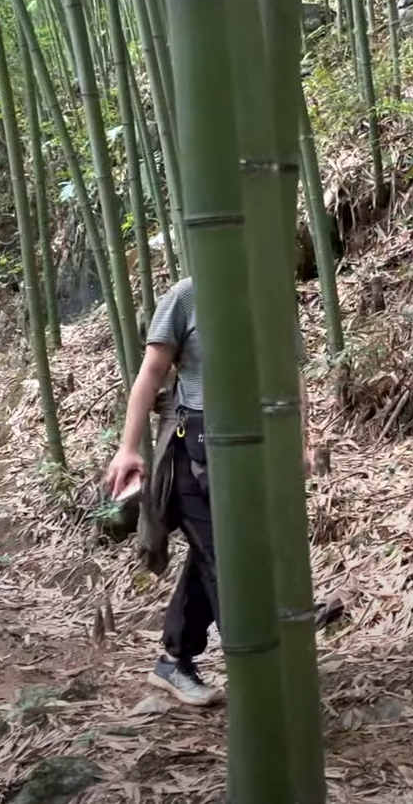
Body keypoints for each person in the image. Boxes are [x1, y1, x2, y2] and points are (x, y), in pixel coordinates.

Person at [104, 276, 312, 706]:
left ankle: (174, 660)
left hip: (258, 447)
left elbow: (290, 373)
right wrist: (127, 448)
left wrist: (302, 441)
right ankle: (262, 680)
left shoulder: (270, 290)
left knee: (216, 555)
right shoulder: (187, 295)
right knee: (229, 557)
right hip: (195, 449)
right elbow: (152, 372)